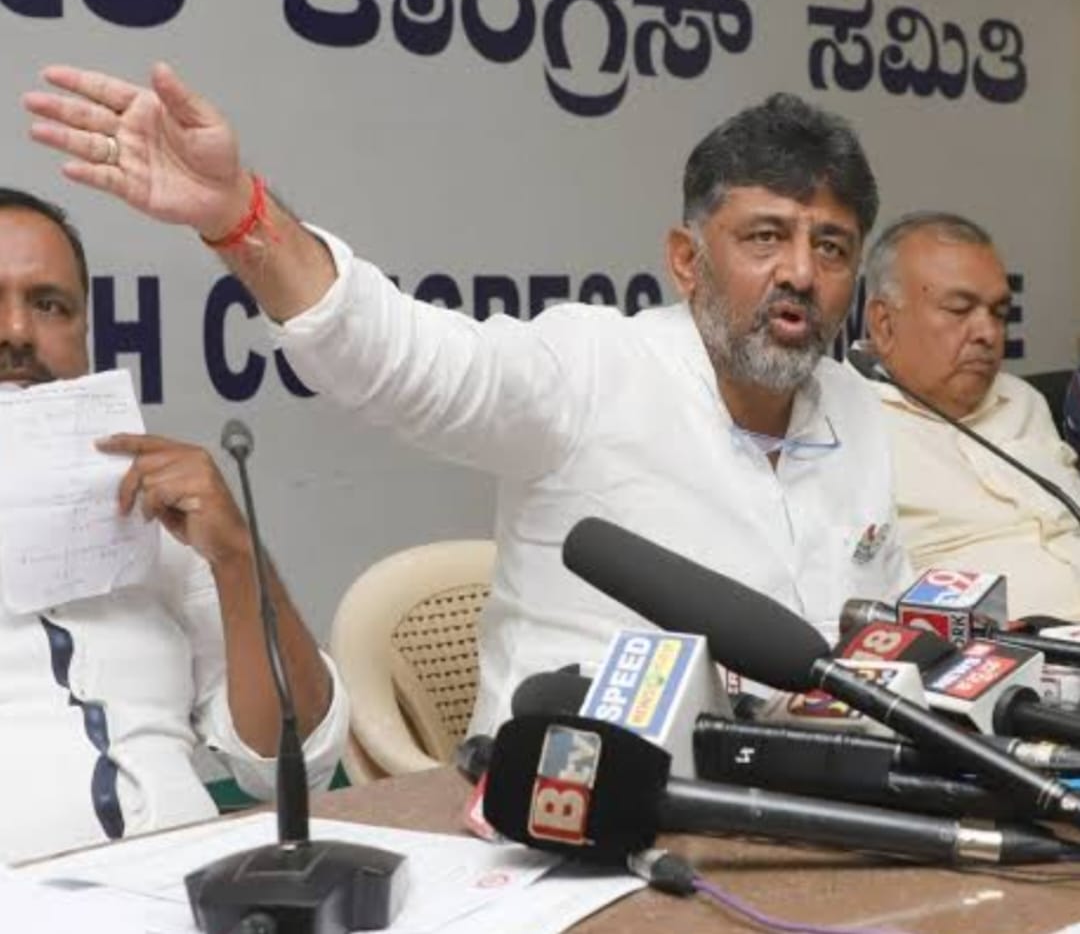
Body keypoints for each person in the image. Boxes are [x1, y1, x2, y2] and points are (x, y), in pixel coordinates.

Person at [23, 66, 911, 732]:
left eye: (832, 248)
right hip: (600, 816)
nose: (801, 272)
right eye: (766, 237)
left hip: (828, 807)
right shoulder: (588, 369)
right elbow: (394, 354)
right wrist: (239, 217)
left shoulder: (860, 408)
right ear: (687, 260)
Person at [0, 188, 348, 862]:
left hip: (186, 884)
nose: (17, 331)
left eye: (49, 305)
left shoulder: (155, 508)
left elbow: (295, 762)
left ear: (85, 334)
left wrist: (236, 556)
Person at [861, 211, 1080, 621]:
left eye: (999, 312)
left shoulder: (1023, 400)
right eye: (960, 309)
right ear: (884, 324)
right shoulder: (845, 424)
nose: (989, 333)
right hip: (1004, 651)